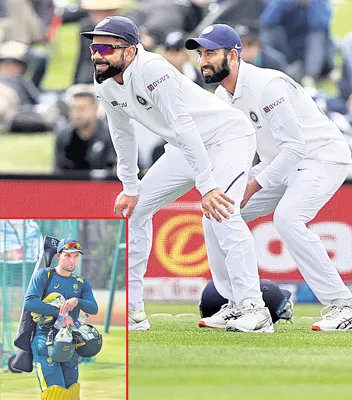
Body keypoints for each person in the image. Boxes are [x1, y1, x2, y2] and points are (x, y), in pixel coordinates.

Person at [82, 16, 273, 334]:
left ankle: (253, 308)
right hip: (185, 147)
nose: (97, 54)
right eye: (93, 47)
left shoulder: (152, 69)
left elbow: (184, 126)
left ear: (130, 52)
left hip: (227, 137)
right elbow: (122, 134)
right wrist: (130, 185)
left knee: (222, 213)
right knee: (137, 210)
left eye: (105, 47)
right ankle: (132, 311)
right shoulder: (102, 81)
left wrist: (208, 186)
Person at [186, 24, 352, 331]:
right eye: (201, 53)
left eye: (211, 53)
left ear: (233, 55)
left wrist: (253, 185)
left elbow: (296, 147)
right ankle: (239, 305)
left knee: (288, 218)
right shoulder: (221, 95)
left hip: (321, 157)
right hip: (278, 164)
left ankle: (345, 306)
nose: (203, 60)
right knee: (216, 213)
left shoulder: (267, 85)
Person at [24, 238, 98, 400]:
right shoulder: (44, 275)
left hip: (68, 341)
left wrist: (77, 301)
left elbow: (93, 308)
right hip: (44, 340)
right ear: (58, 256)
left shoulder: (81, 283)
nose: (72, 260)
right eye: (67, 256)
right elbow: (29, 302)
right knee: (55, 393)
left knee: (72, 391)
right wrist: (60, 314)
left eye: (75, 256)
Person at [55, 85, 116, 173]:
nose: (76, 114)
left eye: (81, 109)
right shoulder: (64, 136)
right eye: (73, 109)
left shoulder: (110, 135)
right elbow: (59, 171)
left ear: (95, 108)